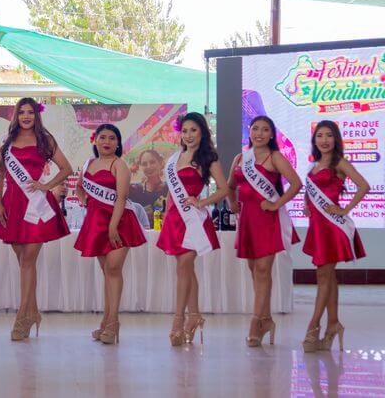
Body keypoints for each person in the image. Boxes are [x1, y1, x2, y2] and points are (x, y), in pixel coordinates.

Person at [0, 97, 72, 341]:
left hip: (36, 205)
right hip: (14, 205)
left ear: (37, 116)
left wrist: (46, 185)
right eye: (22, 112)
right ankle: (34, 312)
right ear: (16, 116)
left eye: (30, 112)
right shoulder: (7, 143)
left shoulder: (45, 140)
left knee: (28, 260)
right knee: (23, 261)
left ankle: (22, 317)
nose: (26, 116)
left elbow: (66, 168)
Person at [227, 116, 302, 347]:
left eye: (265, 129)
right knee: (255, 270)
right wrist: (232, 203)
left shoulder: (275, 157)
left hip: (268, 219)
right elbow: (230, 186)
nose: (259, 133)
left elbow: (296, 184)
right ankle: (266, 319)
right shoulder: (241, 158)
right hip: (248, 219)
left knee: (262, 270)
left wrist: (276, 205)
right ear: (249, 132)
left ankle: (256, 322)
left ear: (272, 135)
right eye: (255, 128)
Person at [157, 112, 228, 346]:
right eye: (185, 131)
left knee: (184, 267)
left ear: (202, 132)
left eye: (193, 130)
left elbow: (223, 189)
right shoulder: (175, 158)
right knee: (185, 268)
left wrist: (202, 202)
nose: (188, 135)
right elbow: (170, 192)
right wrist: (167, 213)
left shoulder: (209, 158)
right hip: (175, 219)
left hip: (194, 221)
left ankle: (178, 320)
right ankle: (195, 315)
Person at [75, 124, 146, 344]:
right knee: (107, 272)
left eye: (112, 138)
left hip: (120, 221)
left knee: (114, 269)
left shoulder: (119, 164)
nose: (107, 141)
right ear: (95, 140)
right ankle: (106, 322)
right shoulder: (89, 163)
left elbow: (122, 197)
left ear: (118, 142)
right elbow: (79, 187)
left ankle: (113, 322)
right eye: (102, 137)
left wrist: (113, 226)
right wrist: (83, 199)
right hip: (96, 223)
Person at [301, 120, 368, 353]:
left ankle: (313, 327)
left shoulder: (339, 162)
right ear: (314, 140)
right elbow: (311, 190)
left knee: (323, 276)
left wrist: (344, 209)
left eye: (329, 135)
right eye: (320, 136)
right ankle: (333, 324)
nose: (324, 140)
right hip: (318, 226)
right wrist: (306, 204)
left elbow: (363, 186)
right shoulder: (315, 164)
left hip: (332, 228)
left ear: (336, 139)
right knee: (328, 276)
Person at [129, 149, 167, 219]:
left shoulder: (170, 188)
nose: (148, 166)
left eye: (152, 162)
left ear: (160, 163)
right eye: (144, 164)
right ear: (140, 167)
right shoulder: (134, 190)